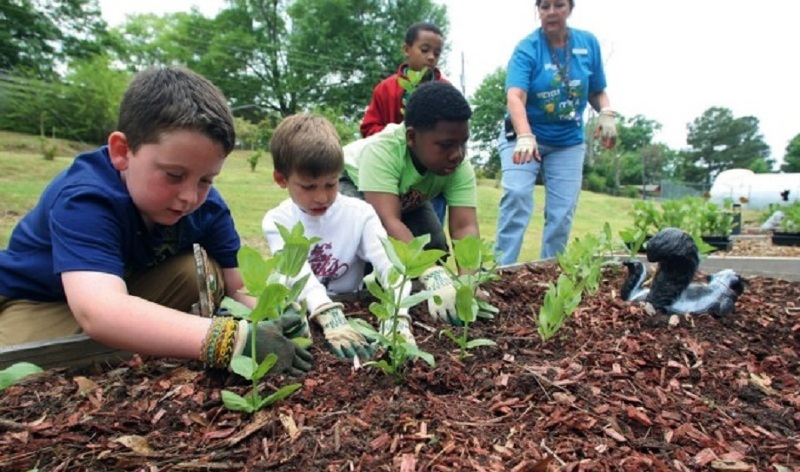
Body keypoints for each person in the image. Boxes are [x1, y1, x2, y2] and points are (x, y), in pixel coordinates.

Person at [0, 66, 312, 376]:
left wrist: (274, 317)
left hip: (118, 289)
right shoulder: (86, 198)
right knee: (24, 371)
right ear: (122, 152)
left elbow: (239, 284)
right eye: (174, 175)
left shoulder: (207, 207)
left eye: (206, 179)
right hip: (36, 301)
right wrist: (230, 340)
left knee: (199, 271)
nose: (190, 197)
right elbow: (100, 312)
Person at [262, 114, 417, 358]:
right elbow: (298, 275)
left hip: (353, 307)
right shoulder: (278, 221)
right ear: (281, 179)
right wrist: (327, 313)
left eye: (331, 184)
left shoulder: (360, 213)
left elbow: (390, 264)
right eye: (309, 187)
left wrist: (398, 313)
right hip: (305, 316)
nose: (322, 197)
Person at [341, 81, 479, 326]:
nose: (457, 154)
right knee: (370, 251)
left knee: (434, 246)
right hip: (351, 184)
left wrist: (467, 284)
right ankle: (367, 302)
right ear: (412, 137)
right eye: (446, 144)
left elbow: (464, 228)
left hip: (405, 196)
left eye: (463, 143)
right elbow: (387, 221)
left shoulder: (459, 165)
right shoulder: (383, 151)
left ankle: (417, 292)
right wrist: (431, 272)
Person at [495, 0, 617, 265]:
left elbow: (596, 91)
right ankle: (499, 272)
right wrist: (526, 135)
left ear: (570, 8)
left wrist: (606, 112)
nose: (551, 12)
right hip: (523, 135)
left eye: (559, 5)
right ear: (537, 10)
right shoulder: (527, 48)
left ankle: (547, 275)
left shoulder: (588, 44)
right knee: (516, 196)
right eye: (544, 6)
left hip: (567, 142)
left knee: (561, 213)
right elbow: (515, 96)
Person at [360, 21, 450, 224]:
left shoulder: (446, 91)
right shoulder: (386, 89)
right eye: (425, 50)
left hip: (429, 176)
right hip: (389, 172)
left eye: (437, 53)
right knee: (387, 225)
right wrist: (396, 139)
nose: (431, 57)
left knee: (431, 229)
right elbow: (368, 128)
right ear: (407, 49)